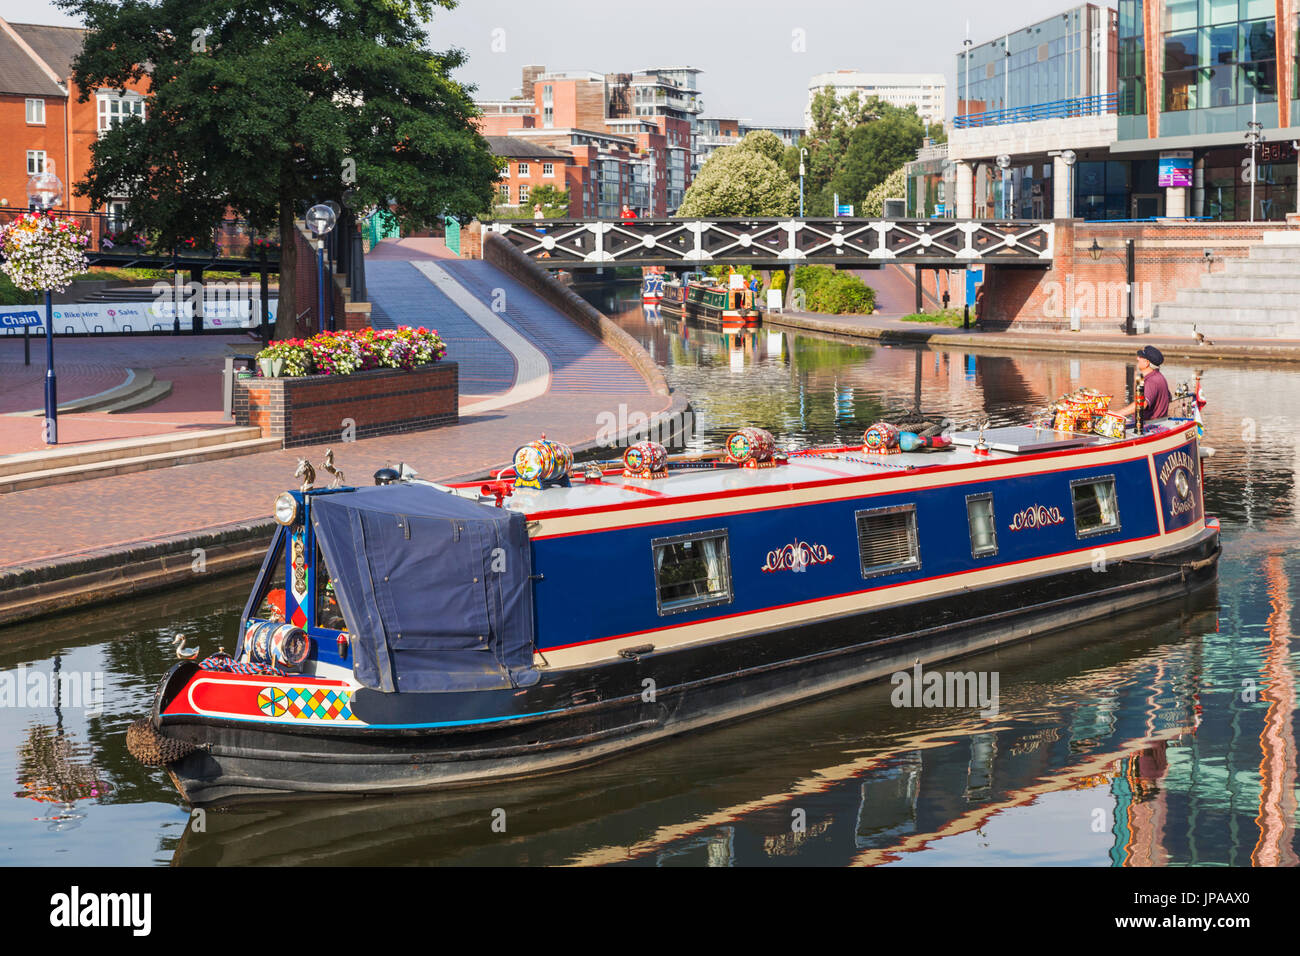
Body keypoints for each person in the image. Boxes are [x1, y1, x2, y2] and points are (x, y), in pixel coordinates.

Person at [1114, 345, 1170, 422]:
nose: (1137, 358)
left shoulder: (1151, 381)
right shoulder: (1159, 376)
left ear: (1147, 363)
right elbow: (1168, 397)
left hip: (1149, 425)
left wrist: (1116, 413)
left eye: (1140, 357)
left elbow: (1141, 404)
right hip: (1159, 421)